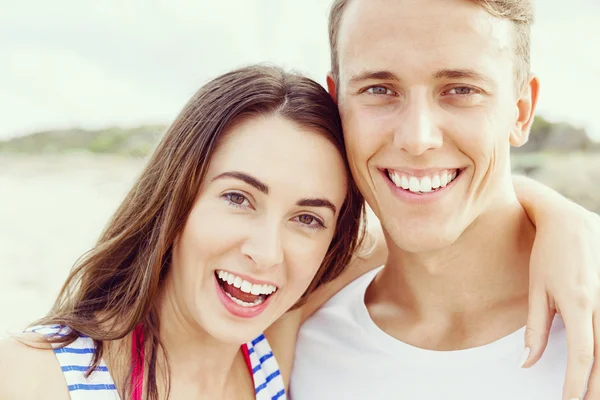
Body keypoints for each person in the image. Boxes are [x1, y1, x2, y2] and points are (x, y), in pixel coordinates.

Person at [290, 0, 600, 399]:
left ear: (521, 111)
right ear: (338, 108)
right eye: (379, 89)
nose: (417, 139)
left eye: (461, 90)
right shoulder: (297, 336)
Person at [0, 65, 366, 399]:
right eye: (238, 198)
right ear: (175, 199)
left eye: (307, 219)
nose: (267, 253)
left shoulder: (271, 342)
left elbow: (406, 238)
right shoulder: (30, 376)